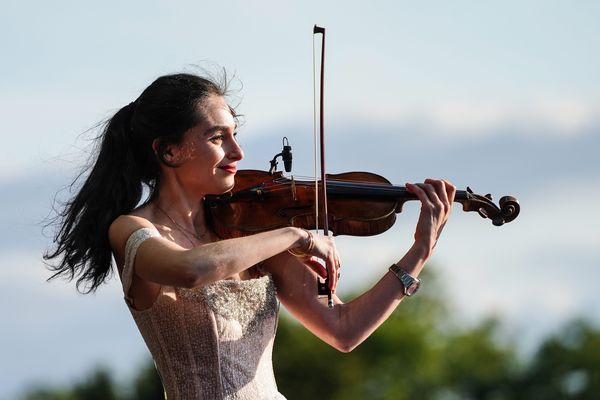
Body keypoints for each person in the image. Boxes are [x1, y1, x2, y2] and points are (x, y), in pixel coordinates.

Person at [45, 72, 456, 399]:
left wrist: (418, 253)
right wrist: (293, 234)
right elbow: (191, 270)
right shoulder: (132, 230)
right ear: (169, 151)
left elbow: (343, 329)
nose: (238, 153)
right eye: (217, 137)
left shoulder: (249, 231)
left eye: (234, 134)